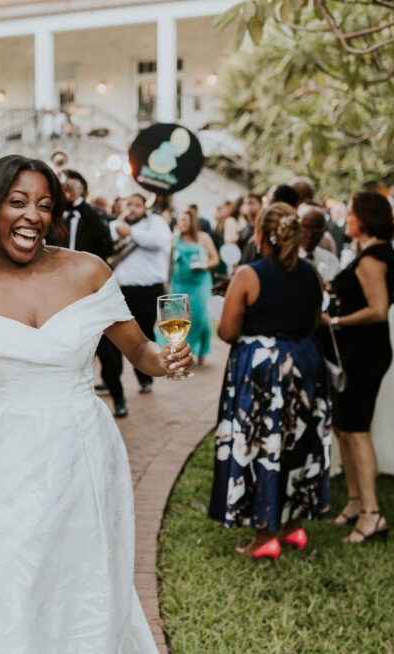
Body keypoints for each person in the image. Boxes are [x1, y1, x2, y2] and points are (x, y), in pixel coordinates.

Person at [0, 154, 193, 652]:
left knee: (82, 590)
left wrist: (167, 358)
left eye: (45, 205)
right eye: (18, 202)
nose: (33, 215)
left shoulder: (88, 271)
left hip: (83, 458)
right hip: (1, 465)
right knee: (9, 583)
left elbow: (140, 350)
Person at [210, 203, 331, 559]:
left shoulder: (248, 275)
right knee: (298, 440)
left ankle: (265, 536)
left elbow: (228, 331)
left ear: (260, 234)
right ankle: (294, 527)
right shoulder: (311, 273)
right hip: (305, 363)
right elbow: (314, 320)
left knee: (264, 445)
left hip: (263, 371)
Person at [323, 191, 394, 544]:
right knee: (344, 428)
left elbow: (378, 310)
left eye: (351, 213)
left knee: (357, 429)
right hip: (354, 351)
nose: (347, 219)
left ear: (366, 218)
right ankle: (355, 501)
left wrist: (334, 321)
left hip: (365, 352)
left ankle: (372, 513)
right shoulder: (369, 252)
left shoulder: (371, 259)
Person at [57, 169, 126, 416]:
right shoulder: (56, 216)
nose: (67, 190)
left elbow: (105, 242)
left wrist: (79, 202)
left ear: (83, 191)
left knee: (106, 350)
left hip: (91, 292)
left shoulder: (93, 215)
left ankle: (119, 397)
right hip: (61, 292)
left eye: (73, 186)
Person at [110, 193, 172, 394]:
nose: (133, 208)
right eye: (129, 203)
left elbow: (160, 241)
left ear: (145, 208)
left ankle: (146, 377)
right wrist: (121, 231)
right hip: (120, 290)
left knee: (144, 335)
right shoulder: (115, 224)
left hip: (148, 290)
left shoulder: (155, 222)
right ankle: (112, 380)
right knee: (114, 336)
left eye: (137, 204)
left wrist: (131, 232)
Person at [170, 208, 218, 364]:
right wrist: (167, 282)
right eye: (179, 220)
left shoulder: (203, 237)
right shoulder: (175, 239)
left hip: (200, 284)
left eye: (185, 220)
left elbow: (215, 259)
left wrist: (205, 265)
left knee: (200, 318)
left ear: (192, 222)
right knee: (180, 321)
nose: (181, 223)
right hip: (179, 284)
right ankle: (184, 352)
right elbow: (169, 262)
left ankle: (202, 350)